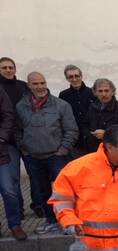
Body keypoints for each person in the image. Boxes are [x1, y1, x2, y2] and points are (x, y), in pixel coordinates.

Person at [16, 71, 78, 234]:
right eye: (35, 84)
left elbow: (71, 130)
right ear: (28, 85)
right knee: (42, 191)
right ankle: (51, 220)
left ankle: (69, 221)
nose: (40, 87)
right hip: (33, 157)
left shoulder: (61, 105)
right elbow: (17, 130)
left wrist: (62, 150)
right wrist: (25, 149)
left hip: (56, 156)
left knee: (63, 191)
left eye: (42, 83)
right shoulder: (20, 107)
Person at [0, 56, 40, 217]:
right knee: (14, 177)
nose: (8, 70)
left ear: (15, 69)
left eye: (11, 67)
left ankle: (38, 205)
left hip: (28, 138)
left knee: (35, 174)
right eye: (4, 67)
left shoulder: (24, 87)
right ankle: (18, 209)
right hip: (8, 141)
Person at [0, 87, 26, 240]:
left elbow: (8, 114)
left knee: (9, 189)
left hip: (1, 153)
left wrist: (2, 136)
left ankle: (15, 224)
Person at [83, 78, 118, 153]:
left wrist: (106, 134)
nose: (103, 94)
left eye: (106, 90)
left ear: (113, 92)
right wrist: (90, 135)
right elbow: (85, 125)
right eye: (100, 91)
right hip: (94, 151)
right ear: (95, 92)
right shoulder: (92, 107)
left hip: (115, 152)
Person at [58, 65, 96, 158]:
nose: (74, 79)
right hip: (75, 140)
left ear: (81, 76)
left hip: (92, 138)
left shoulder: (94, 93)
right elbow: (61, 116)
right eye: (71, 77)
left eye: (77, 76)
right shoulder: (63, 95)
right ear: (67, 79)